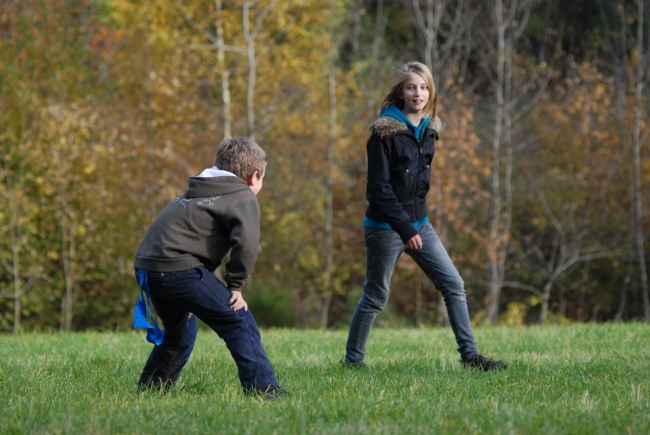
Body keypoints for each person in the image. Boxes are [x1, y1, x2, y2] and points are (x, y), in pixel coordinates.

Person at [343, 62, 507, 371]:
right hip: (385, 228)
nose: (417, 92)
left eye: (423, 87)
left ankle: (471, 358)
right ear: (401, 93)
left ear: (430, 92)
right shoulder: (383, 134)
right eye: (411, 87)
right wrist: (404, 228)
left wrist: (415, 225)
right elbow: (377, 190)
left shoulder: (429, 130)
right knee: (376, 297)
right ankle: (353, 362)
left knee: (454, 285)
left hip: (420, 224)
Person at [133, 136, 289, 399]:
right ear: (253, 177)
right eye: (262, 178)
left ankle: (150, 391)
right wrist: (235, 286)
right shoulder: (242, 196)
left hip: (149, 267)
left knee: (179, 332)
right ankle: (265, 391)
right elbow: (247, 245)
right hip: (178, 269)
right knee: (239, 321)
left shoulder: (199, 188)